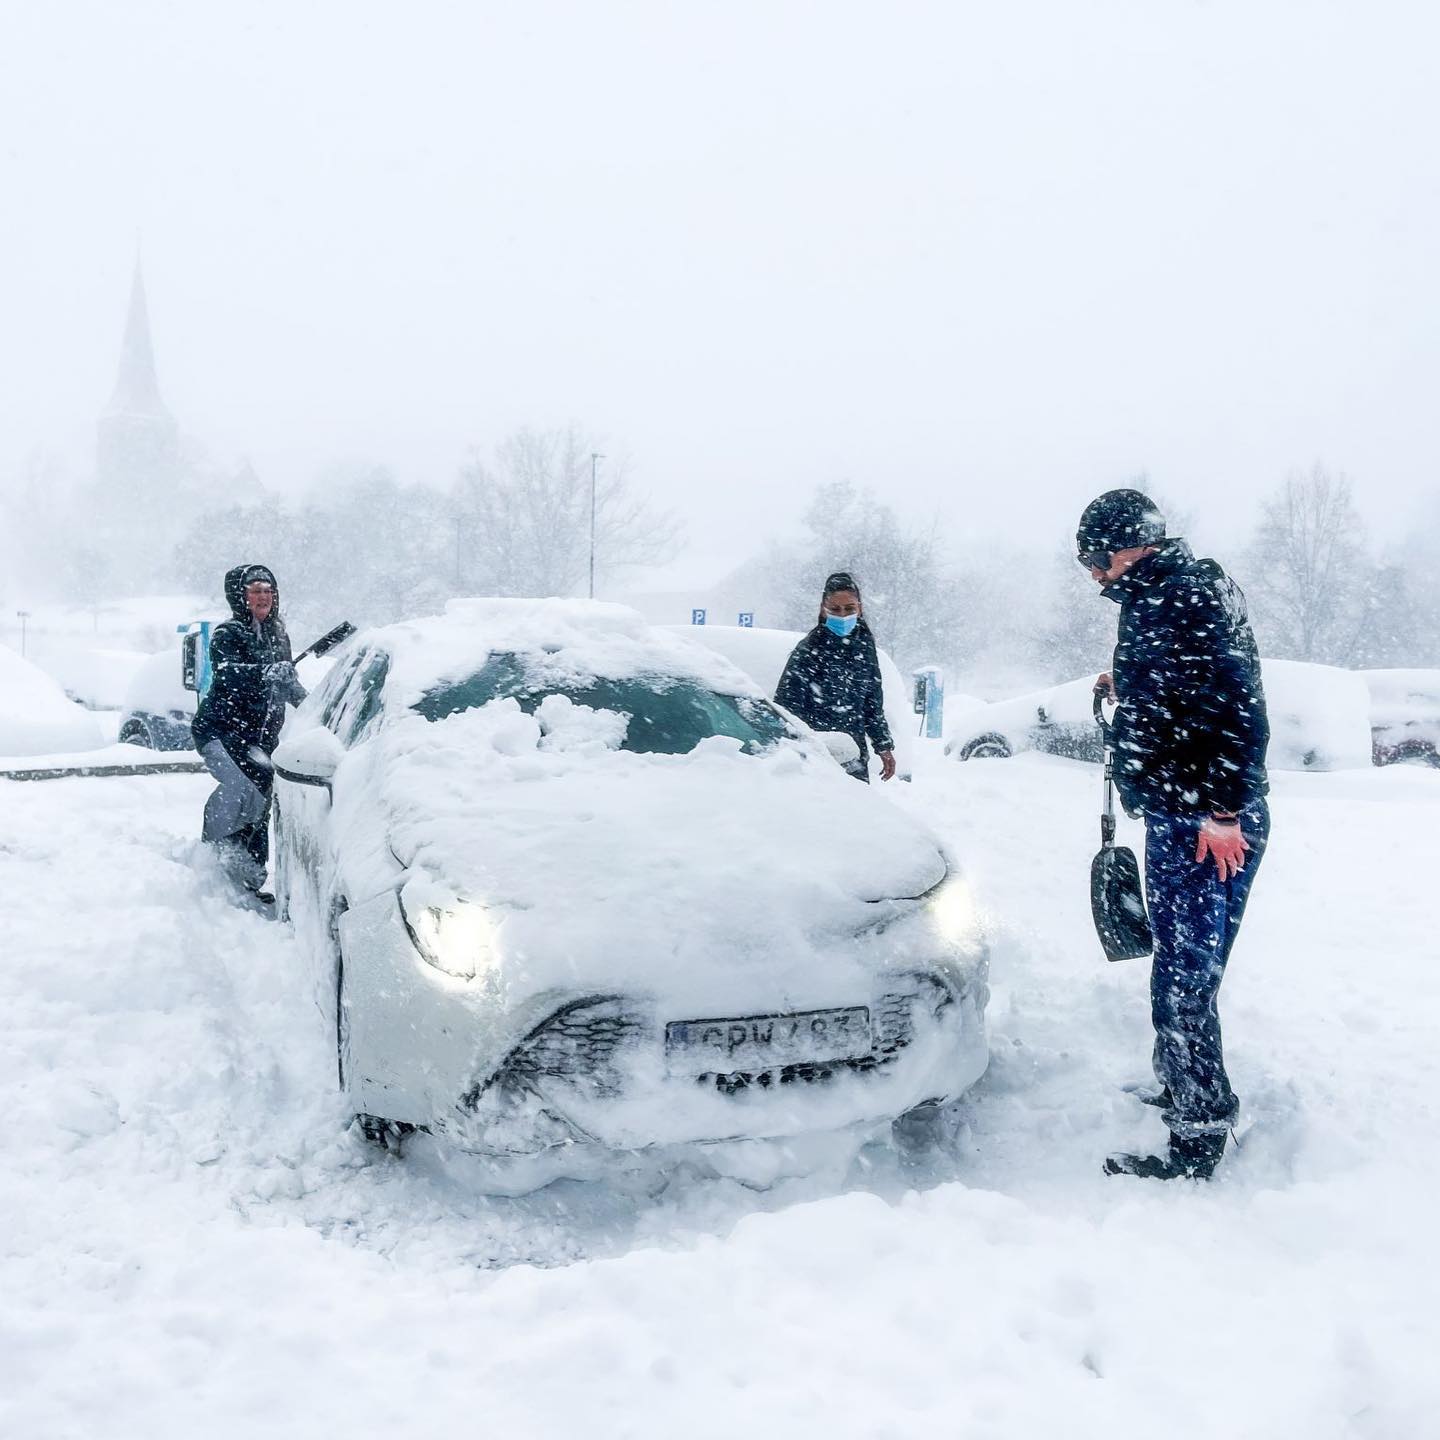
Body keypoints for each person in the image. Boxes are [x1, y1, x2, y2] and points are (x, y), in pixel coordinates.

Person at [1076, 490, 1270, 1181]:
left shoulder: (1180, 598)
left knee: (1184, 978)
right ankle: (1180, 1083)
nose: (1095, 574)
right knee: (1185, 968)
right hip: (1186, 813)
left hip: (1203, 823)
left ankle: (1198, 1131)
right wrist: (1126, 681)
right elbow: (1182, 688)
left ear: (1135, 547)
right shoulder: (1171, 591)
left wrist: (1222, 810)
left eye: (1098, 559)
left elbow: (1235, 705)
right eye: (1086, 562)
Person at [191, 564, 307, 901]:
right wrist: (266, 672)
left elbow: (286, 683)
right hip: (221, 731)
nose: (263, 596)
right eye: (255, 589)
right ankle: (213, 856)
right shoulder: (228, 634)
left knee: (262, 799)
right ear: (240, 596)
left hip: (260, 739)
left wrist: (315, 707)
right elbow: (227, 675)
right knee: (240, 788)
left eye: (268, 590)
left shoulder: (278, 636)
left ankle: (250, 877)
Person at [775, 571, 897, 782]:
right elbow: (787, 709)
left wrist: (883, 745)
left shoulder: (865, 647)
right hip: (816, 757)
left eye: (849, 609)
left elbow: (872, 703)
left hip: (855, 756)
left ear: (860, 609)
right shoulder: (808, 651)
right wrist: (801, 748)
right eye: (835, 609)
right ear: (823, 611)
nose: (842, 616)